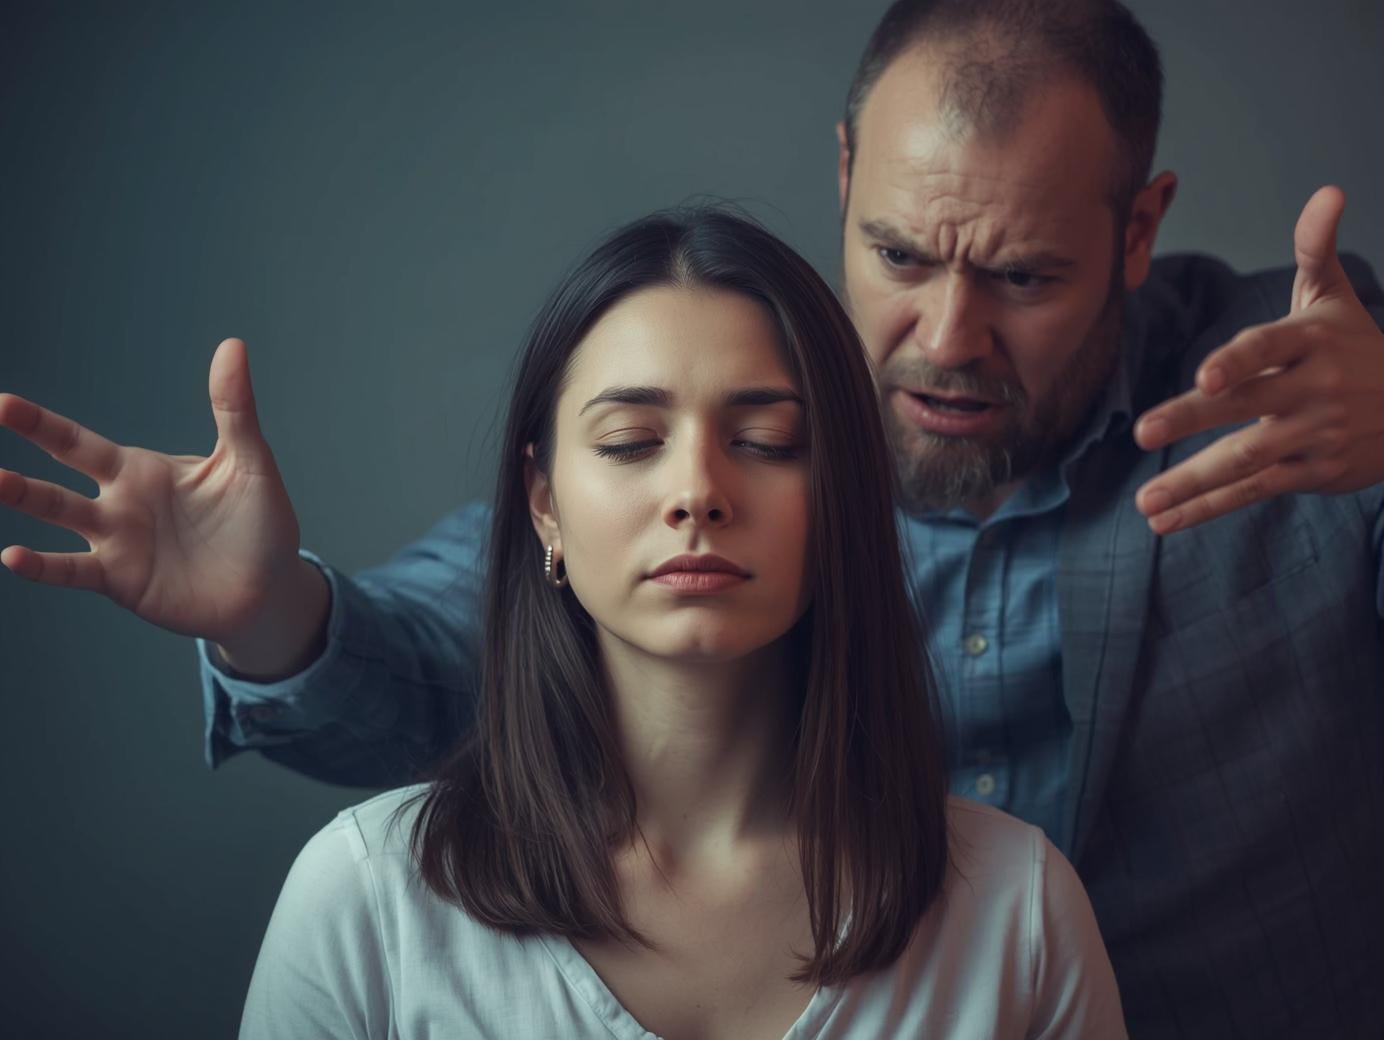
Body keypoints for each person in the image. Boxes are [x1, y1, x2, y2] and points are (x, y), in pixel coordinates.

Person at [1, 0, 1381, 1035]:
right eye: (900, 255)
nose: (947, 337)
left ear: (1139, 232)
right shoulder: (373, 902)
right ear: (845, 176)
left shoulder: (1303, 393)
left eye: (1023, 273)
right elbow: (451, 644)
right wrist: (266, 611)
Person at [237, 206, 1125, 1039]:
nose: (697, 491)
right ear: (544, 502)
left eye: (767, 442)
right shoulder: (367, 899)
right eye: (630, 442)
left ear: (847, 496)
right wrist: (262, 603)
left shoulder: (1020, 909)